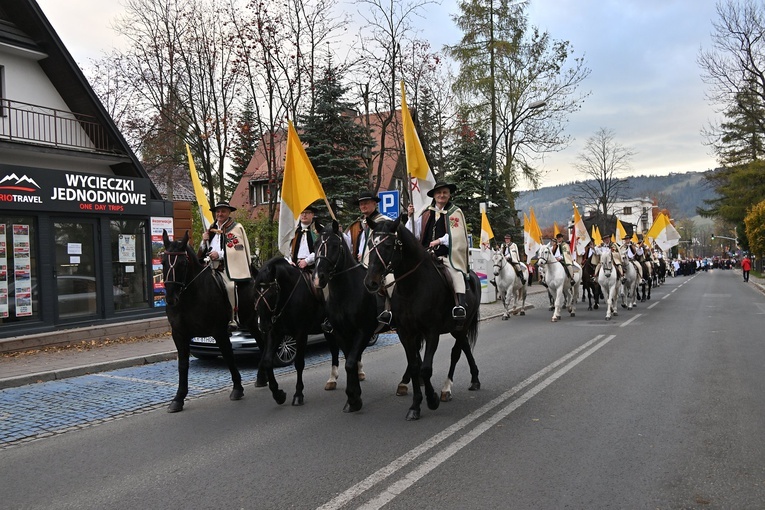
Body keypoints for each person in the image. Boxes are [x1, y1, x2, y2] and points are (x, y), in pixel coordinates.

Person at [409, 181, 470, 320]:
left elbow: (458, 235)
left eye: (445, 192)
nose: (441, 195)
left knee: (455, 273)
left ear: (449, 195)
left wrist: (440, 240)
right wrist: (410, 217)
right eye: (439, 192)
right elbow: (414, 233)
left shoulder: (455, 212)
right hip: (424, 256)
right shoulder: (425, 213)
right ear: (434, 195)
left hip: (445, 255)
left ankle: (459, 305)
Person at [199, 201, 253, 330]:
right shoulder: (211, 228)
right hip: (209, 266)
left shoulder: (236, 228)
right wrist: (203, 240)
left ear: (229, 212)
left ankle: (233, 318)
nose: (220, 214)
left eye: (223, 211)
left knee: (230, 287)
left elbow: (238, 249)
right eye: (218, 211)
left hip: (226, 268)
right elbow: (202, 250)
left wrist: (219, 254)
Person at [344, 190, 393, 324]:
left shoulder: (384, 222)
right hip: (359, 264)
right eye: (361, 204)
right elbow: (348, 243)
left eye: (366, 203)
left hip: (380, 265)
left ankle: (390, 311)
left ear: (374, 204)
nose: (363, 206)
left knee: (390, 282)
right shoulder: (357, 225)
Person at [289, 205, 320, 270]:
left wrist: (307, 261)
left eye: (307, 212)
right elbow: (288, 250)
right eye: (302, 213)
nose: (304, 215)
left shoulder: (318, 230)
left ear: (312, 214)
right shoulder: (294, 231)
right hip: (294, 266)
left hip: (314, 267)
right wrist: (289, 261)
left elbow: (320, 250)